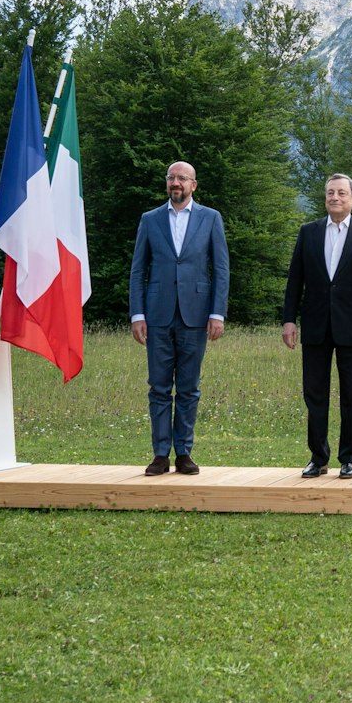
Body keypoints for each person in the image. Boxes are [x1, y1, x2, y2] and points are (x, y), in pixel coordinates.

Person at [281, 174, 352, 479]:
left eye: (341, 193)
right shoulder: (308, 232)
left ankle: (349, 458)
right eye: (330, 193)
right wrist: (289, 319)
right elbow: (295, 281)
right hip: (315, 325)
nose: (335, 197)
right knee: (314, 393)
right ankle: (318, 457)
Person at [128, 160, 229, 476]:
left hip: (196, 315)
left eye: (182, 178)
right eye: (172, 177)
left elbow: (221, 268)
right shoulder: (150, 219)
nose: (176, 183)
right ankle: (160, 454)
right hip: (156, 315)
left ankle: (184, 452)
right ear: (167, 183)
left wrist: (217, 313)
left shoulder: (210, 219)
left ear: (193, 185)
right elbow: (138, 270)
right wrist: (137, 314)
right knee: (158, 387)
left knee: (188, 387)